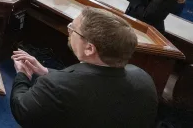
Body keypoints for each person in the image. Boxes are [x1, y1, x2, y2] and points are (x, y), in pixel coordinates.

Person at [10, 7, 158, 128]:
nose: (69, 32)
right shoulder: (143, 78)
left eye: (73, 29)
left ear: (89, 49)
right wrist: (45, 71)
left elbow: (22, 110)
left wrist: (23, 74)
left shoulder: (55, 85)